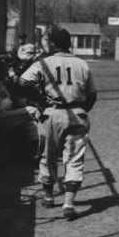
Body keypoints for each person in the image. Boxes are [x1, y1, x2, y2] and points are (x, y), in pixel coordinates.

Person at [18, 27, 97, 219]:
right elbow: (92, 95)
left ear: (53, 43)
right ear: (68, 44)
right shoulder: (82, 64)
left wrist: (40, 100)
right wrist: (81, 109)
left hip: (51, 113)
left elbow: (23, 82)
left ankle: (48, 196)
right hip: (77, 112)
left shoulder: (44, 62)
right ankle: (69, 203)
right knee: (75, 159)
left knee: (47, 156)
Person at [0, 57, 40, 162]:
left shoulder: (1, 84)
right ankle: (36, 151)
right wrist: (8, 101)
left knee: (31, 120)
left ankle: (34, 152)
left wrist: (17, 101)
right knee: (31, 111)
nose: (6, 74)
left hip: (6, 115)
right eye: (3, 71)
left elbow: (10, 100)